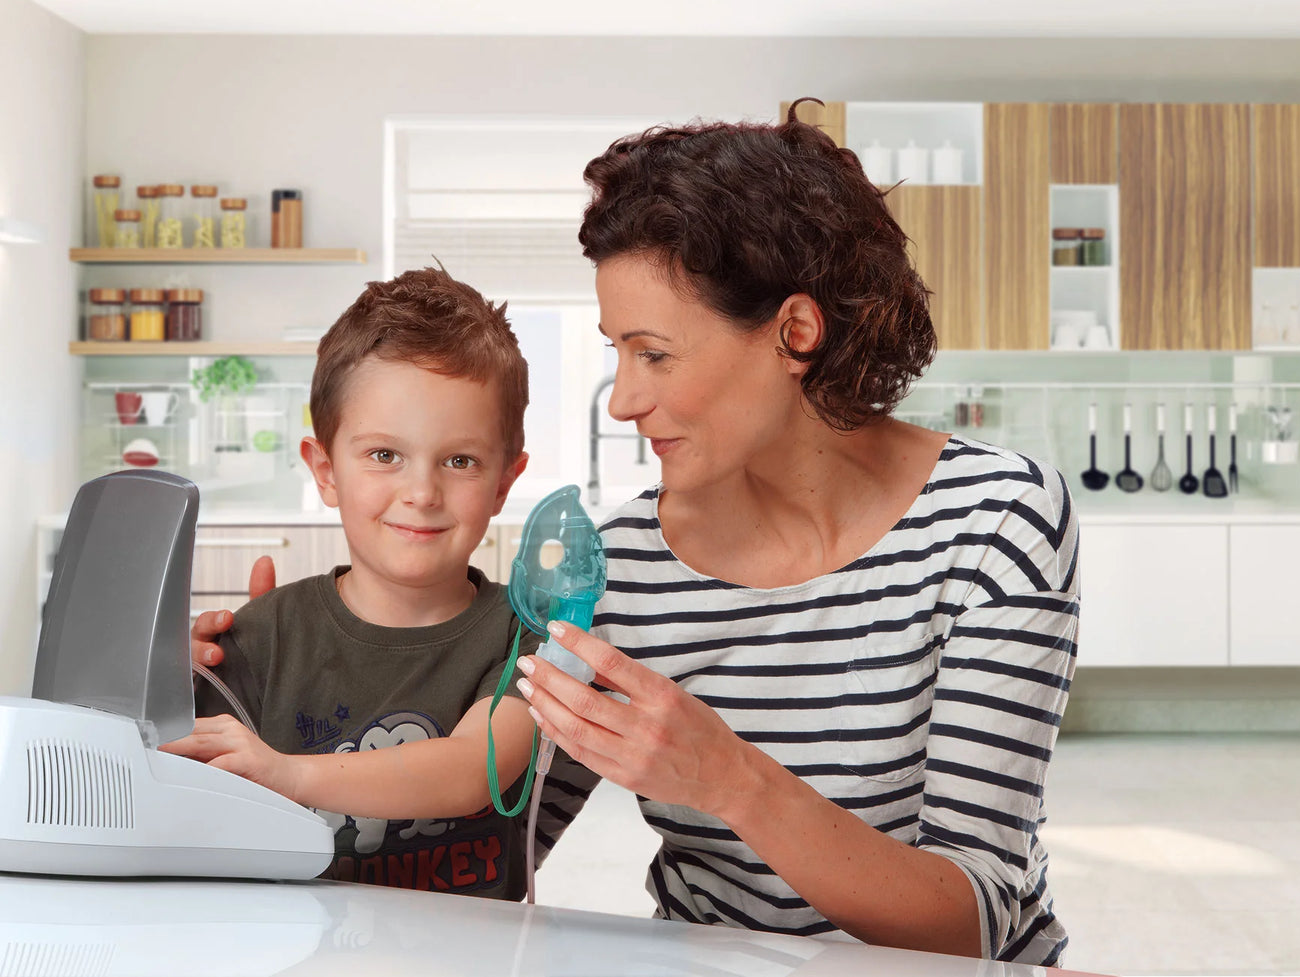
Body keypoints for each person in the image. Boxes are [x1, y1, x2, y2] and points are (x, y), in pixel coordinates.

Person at [195, 103, 1079, 962]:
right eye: (615, 350)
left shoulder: (994, 518)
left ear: (794, 333)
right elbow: (489, 840)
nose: (622, 398)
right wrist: (297, 674)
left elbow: (976, 922)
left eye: (653, 352)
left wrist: (730, 778)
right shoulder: (619, 567)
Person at [166, 267, 541, 898]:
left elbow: (476, 766)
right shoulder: (262, 635)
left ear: (504, 481)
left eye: (460, 460)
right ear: (325, 469)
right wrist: (157, 674)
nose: (421, 493)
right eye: (384, 455)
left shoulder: (525, 639)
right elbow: (142, 779)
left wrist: (284, 773)